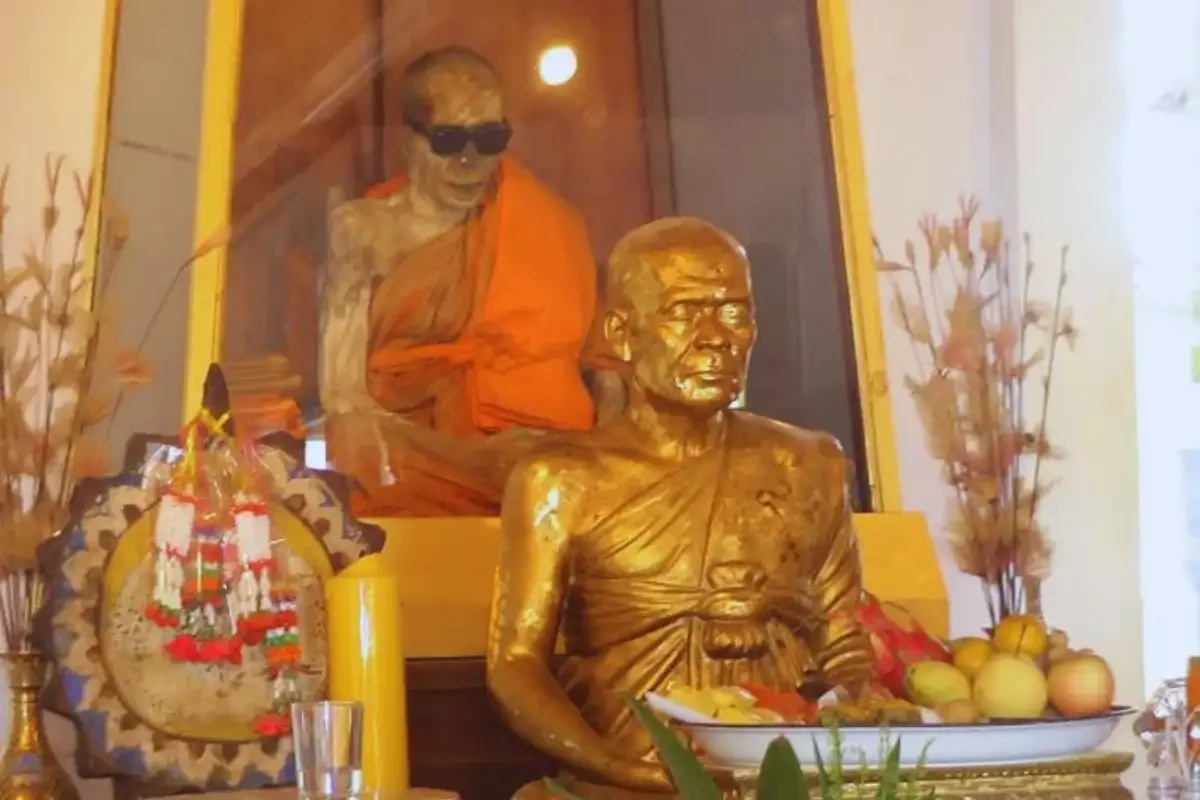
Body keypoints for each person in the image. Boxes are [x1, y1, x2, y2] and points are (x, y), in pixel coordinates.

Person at [487, 217, 875, 797]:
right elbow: (515, 664)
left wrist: (848, 731)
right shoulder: (562, 479)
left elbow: (845, 638)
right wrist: (624, 769)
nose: (716, 336)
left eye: (734, 312)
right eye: (684, 311)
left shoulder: (808, 463)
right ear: (621, 335)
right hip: (625, 781)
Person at [319, 46, 603, 516]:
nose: (470, 162)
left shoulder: (545, 223)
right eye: (449, 140)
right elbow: (343, 397)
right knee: (354, 442)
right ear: (408, 143)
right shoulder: (362, 230)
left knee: (569, 472)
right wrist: (469, 458)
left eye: (489, 139)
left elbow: (595, 370)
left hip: (526, 452)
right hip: (414, 453)